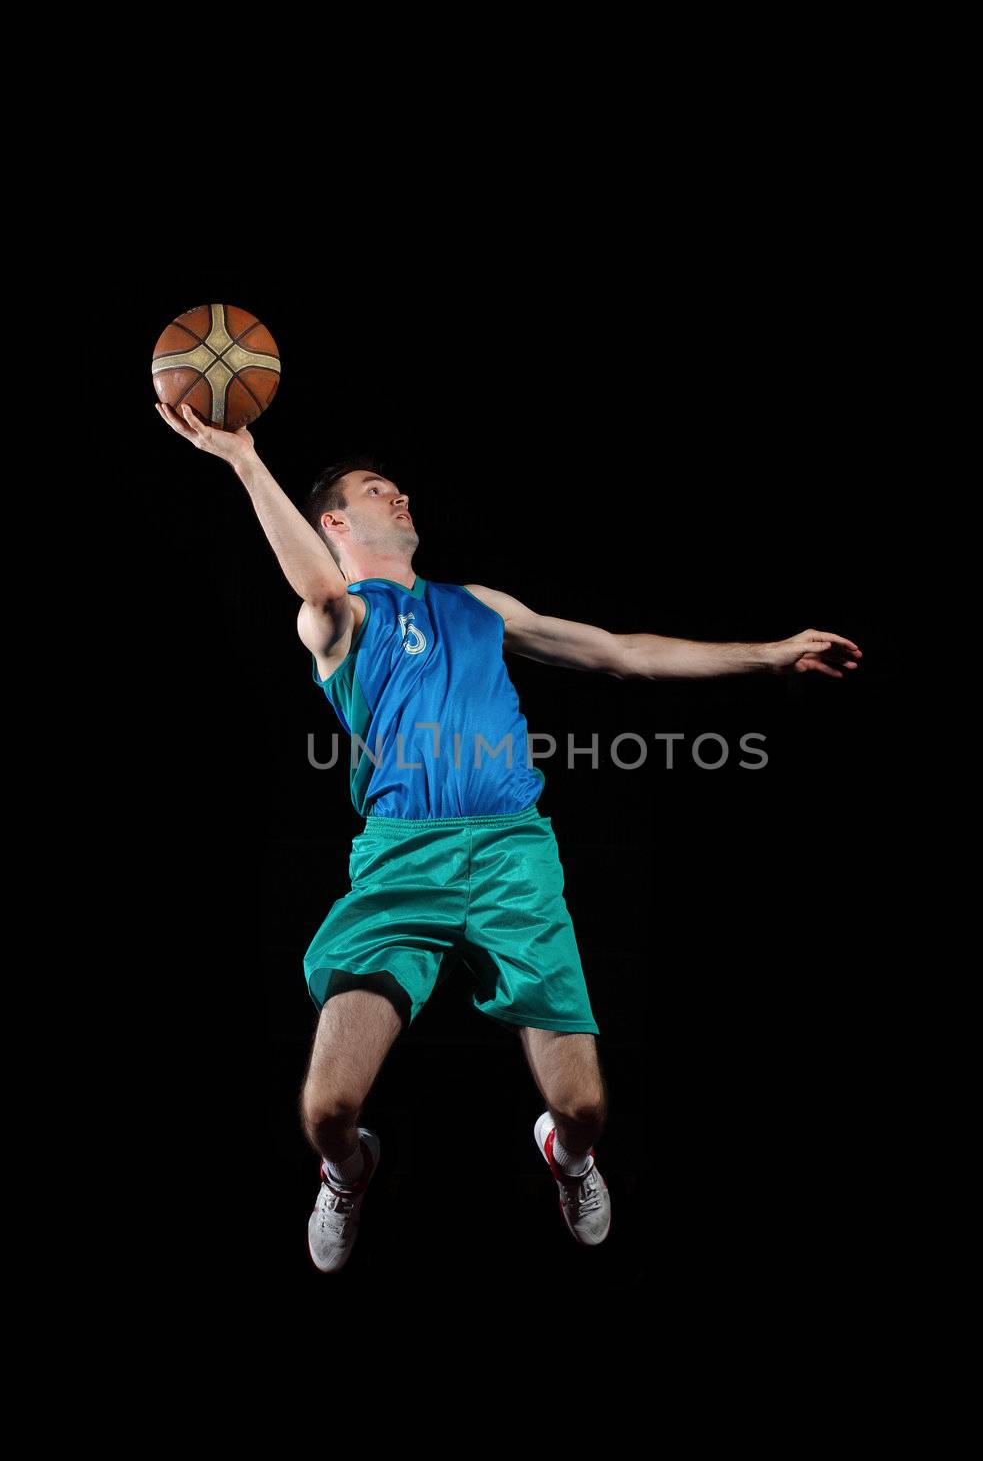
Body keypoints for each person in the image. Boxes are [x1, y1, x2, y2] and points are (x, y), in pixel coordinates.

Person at [156, 399, 863, 1273]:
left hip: (509, 852)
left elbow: (620, 651)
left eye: (400, 485)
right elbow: (315, 586)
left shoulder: (478, 605)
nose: (400, 495)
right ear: (334, 520)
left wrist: (766, 652)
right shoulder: (335, 620)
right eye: (379, 490)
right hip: (400, 860)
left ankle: (568, 1160)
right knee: (326, 1111)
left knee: (587, 1109)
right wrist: (244, 460)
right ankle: (348, 1173)